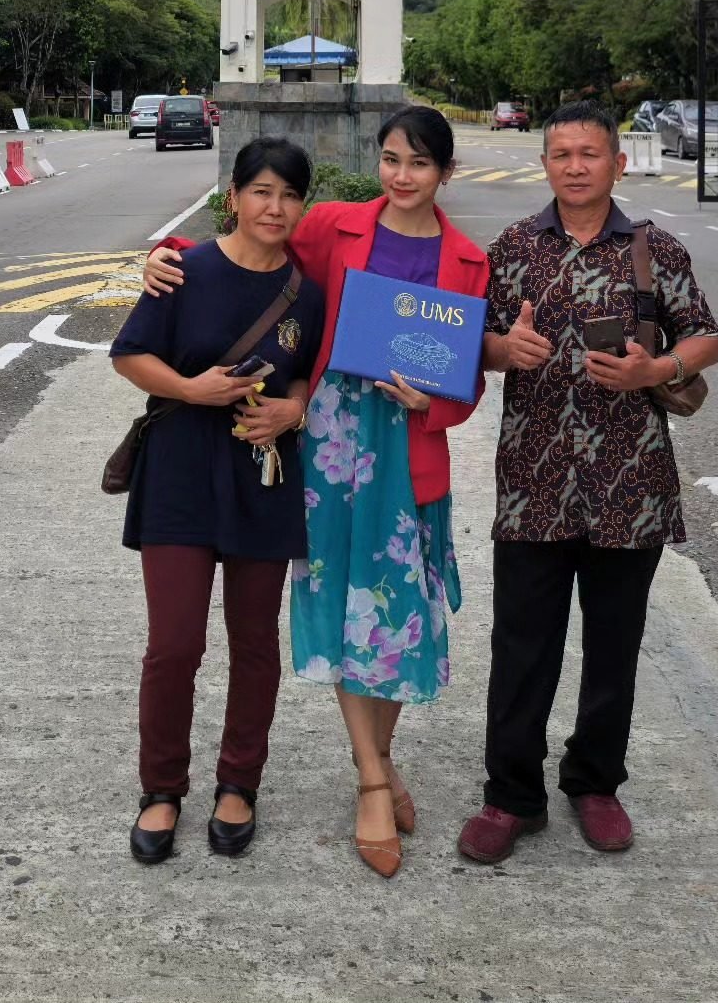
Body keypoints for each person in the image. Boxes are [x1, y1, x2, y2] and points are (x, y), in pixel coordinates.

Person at [144, 106, 489, 878]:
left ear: (445, 173)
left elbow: (462, 385)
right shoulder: (334, 224)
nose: (402, 176)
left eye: (420, 164)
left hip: (411, 450)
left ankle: (382, 759)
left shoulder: (467, 261)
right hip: (334, 447)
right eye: (392, 159)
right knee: (342, 608)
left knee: (400, 613)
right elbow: (246, 246)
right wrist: (164, 257)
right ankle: (372, 779)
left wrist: (432, 405)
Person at [456, 99, 718, 864]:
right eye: (562, 154)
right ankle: (511, 796)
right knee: (522, 645)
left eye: (590, 153)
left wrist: (657, 367)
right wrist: (506, 351)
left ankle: (595, 782)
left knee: (614, 645)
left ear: (618, 163)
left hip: (630, 480)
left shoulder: (654, 250)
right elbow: (468, 340)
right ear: (544, 164)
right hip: (533, 480)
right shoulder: (511, 250)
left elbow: (704, 336)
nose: (576, 165)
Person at [111, 136, 325, 864]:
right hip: (179, 472)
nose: (276, 207)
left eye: (291, 194)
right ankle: (162, 788)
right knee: (174, 646)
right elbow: (129, 354)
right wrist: (191, 388)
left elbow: (304, 376)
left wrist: (293, 411)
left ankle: (240, 781)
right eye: (262, 191)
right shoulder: (183, 272)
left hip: (262, 475)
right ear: (232, 197)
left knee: (255, 644)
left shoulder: (308, 292)